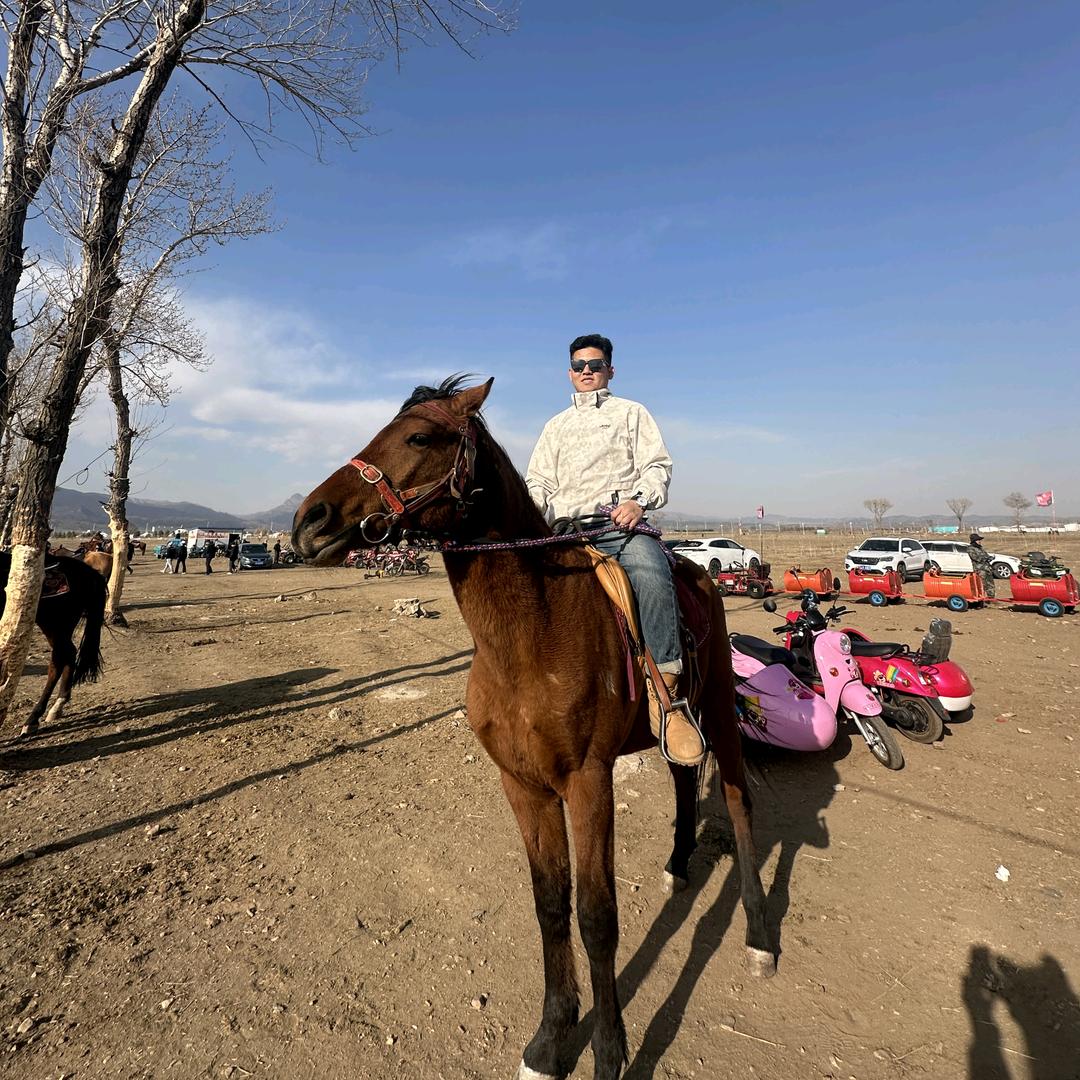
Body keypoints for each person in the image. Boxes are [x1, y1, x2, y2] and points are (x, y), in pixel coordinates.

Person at [526, 333, 704, 766]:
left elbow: (657, 465)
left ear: (610, 369)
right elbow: (539, 483)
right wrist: (531, 518)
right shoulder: (555, 426)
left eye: (596, 363)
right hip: (565, 532)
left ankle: (667, 693)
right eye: (579, 365)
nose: (587, 370)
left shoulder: (632, 413)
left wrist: (637, 501)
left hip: (617, 528)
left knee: (650, 574)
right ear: (569, 372)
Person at [967, 532, 995, 597]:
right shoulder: (970, 549)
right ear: (974, 541)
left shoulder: (980, 548)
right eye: (978, 540)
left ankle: (991, 598)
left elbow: (986, 556)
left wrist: (989, 558)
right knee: (982, 585)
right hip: (980, 570)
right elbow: (976, 558)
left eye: (980, 540)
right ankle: (982, 599)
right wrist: (985, 558)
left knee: (990, 584)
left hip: (987, 569)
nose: (979, 541)